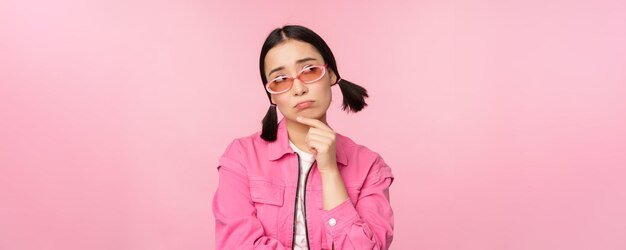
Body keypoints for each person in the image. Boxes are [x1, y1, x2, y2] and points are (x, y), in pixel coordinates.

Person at [212, 25, 394, 249]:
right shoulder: (241, 157)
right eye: (280, 79)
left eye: (309, 70)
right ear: (272, 95)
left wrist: (329, 171)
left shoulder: (369, 167)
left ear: (332, 74)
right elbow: (237, 244)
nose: (298, 89)